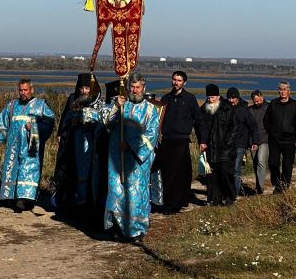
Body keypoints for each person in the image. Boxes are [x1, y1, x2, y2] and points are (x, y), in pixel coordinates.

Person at [101, 72, 160, 242]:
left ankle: (136, 230)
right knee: (116, 193)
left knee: (135, 195)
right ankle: (118, 227)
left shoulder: (150, 110)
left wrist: (131, 145)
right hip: (117, 159)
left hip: (136, 162)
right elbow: (106, 122)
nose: (134, 90)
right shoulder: (122, 105)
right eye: (132, 87)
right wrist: (115, 106)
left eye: (137, 87)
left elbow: (151, 136)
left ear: (144, 88)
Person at [0, 79, 55, 212]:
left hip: (31, 148)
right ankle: (12, 198)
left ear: (32, 90)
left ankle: (26, 200)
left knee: (28, 171)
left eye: (25, 90)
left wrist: (35, 126)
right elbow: (0, 124)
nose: (23, 93)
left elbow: (49, 122)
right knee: (12, 169)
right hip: (13, 147)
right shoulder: (12, 105)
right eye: (20, 90)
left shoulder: (40, 105)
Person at [52, 73, 105, 214]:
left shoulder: (99, 102)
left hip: (91, 144)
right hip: (74, 142)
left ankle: (88, 203)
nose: (84, 91)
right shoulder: (73, 99)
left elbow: (103, 122)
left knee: (89, 173)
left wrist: (90, 122)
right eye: (81, 88)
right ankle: (72, 202)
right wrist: (65, 130)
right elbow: (65, 120)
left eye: (87, 88)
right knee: (72, 170)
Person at [159, 71, 207, 213]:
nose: (176, 82)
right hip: (167, 140)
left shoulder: (190, 99)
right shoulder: (166, 98)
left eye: (179, 80)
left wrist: (202, 140)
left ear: (184, 82)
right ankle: (167, 202)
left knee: (179, 173)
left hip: (181, 139)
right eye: (174, 79)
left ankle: (177, 203)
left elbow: (199, 122)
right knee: (166, 173)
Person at [200, 84, 239, 206]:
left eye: (212, 97)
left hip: (225, 149)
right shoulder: (204, 109)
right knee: (213, 176)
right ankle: (216, 199)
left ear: (218, 96)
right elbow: (201, 127)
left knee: (226, 174)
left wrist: (227, 143)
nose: (210, 100)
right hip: (211, 148)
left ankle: (230, 197)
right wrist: (203, 141)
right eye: (208, 98)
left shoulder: (227, 109)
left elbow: (235, 128)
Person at [263, 81, 296, 192]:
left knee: (287, 164)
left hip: (289, 140)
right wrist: (271, 132)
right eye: (281, 89)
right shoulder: (273, 103)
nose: (282, 91)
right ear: (278, 91)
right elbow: (266, 121)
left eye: (285, 89)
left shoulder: (295, 105)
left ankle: (283, 187)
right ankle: (277, 183)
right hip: (274, 139)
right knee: (273, 163)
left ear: (289, 91)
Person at [226, 87, 257, 197]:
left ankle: (234, 193)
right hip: (227, 144)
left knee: (236, 168)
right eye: (229, 98)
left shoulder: (244, 111)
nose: (231, 100)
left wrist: (254, 142)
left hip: (240, 143)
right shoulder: (225, 109)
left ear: (238, 98)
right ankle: (229, 190)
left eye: (233, 98)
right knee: (227, 168)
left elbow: (253, 126)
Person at [248, 89, 270, 194]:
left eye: (257, 100)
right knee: (255, 163)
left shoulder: (269, 108)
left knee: (261, 160)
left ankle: (260, 188)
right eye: (254, 101)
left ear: (262, 96)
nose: (256, 103)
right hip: (253, 140)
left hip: (265, 139)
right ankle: (258, 186)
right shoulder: (250, 110)